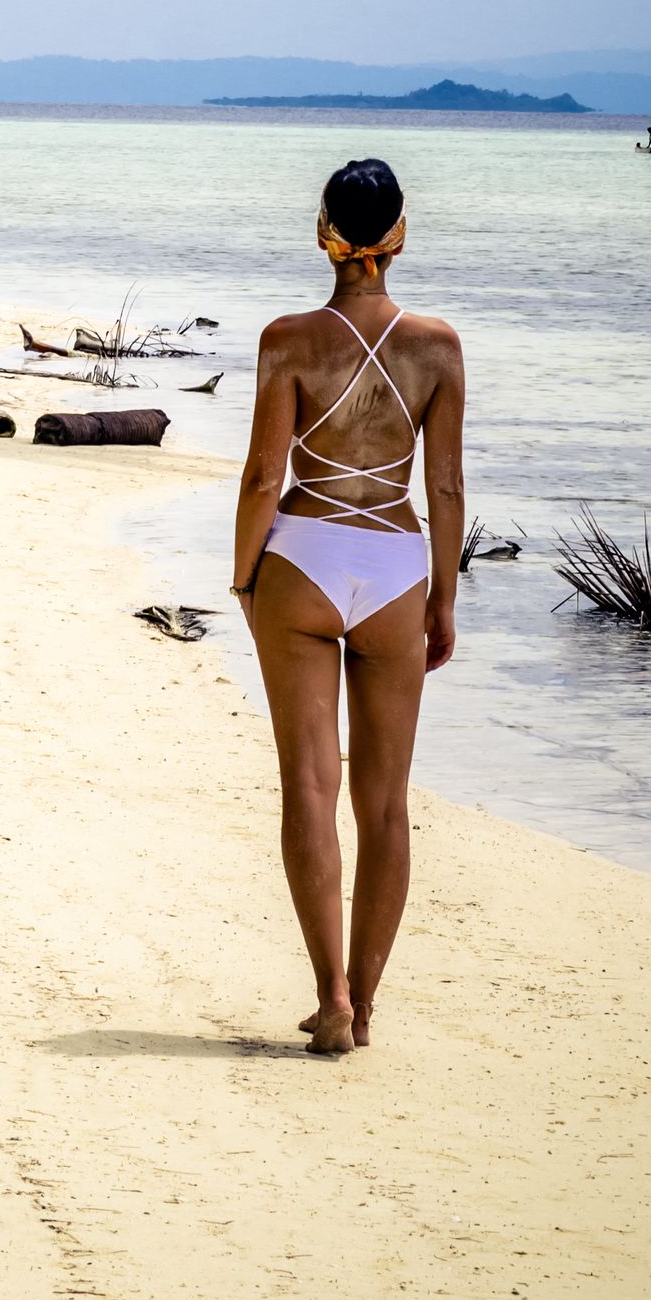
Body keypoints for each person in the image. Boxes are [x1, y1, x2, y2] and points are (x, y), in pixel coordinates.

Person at [230, 156, 465, 1056]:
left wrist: (245, 575)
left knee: (311, 786)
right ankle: (363, 1007)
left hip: (305, 556)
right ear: (398, 234)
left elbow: (262, 475)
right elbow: (443, 485)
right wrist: (443, 598)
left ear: (324, 232)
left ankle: (327, 992)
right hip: (398, 570)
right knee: (385, 803)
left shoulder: (287, 338)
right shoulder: (437, 347)